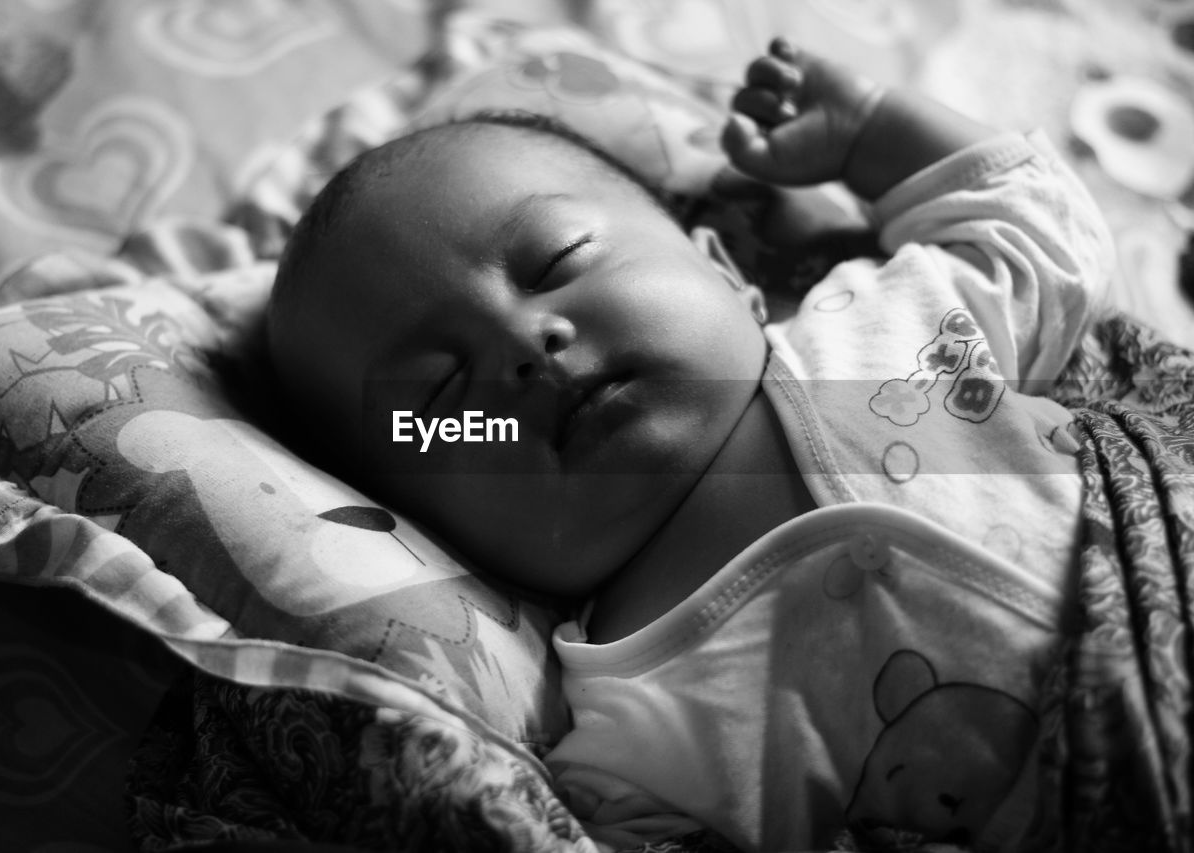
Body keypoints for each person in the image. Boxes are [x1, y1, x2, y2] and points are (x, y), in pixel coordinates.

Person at [265, 36, 1112, 853]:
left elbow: (1034, 226)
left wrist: (871, 128)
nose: (524, 346)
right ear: (426, 524)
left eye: (558, 259)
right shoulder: (622, 727)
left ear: (723, 270)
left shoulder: (878, 332)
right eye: (442, 393)